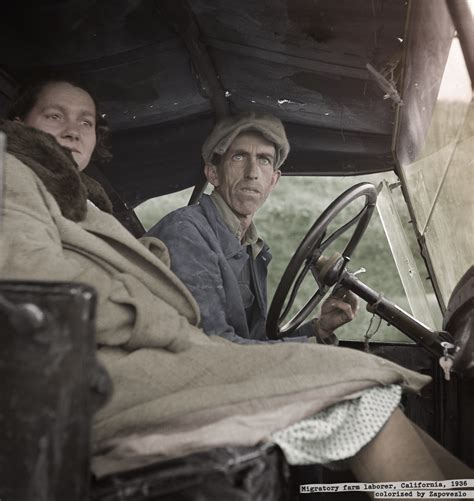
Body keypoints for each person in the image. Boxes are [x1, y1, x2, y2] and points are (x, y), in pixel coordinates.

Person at [1, 76, 471, 486]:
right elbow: (35, 290)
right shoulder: (18, 175)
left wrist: (314, 331)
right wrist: (152, 312)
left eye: (85, 121)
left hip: (147, 362)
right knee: (360, 393)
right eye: (54, 115)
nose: (72, 130)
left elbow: (242, 339)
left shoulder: (93, 200)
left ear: (276, 179)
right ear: (212, 171)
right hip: (107, 378)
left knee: (368, 391)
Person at [147, 112, 357, 344]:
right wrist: (308, 348)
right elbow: (215, 346)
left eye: (264, 160)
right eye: (239, 157)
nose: (252, 173)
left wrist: (319, 330)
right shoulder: (185, 235)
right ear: (213, 173)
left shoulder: (250, 246)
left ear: (273, 180)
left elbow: (254, 340)